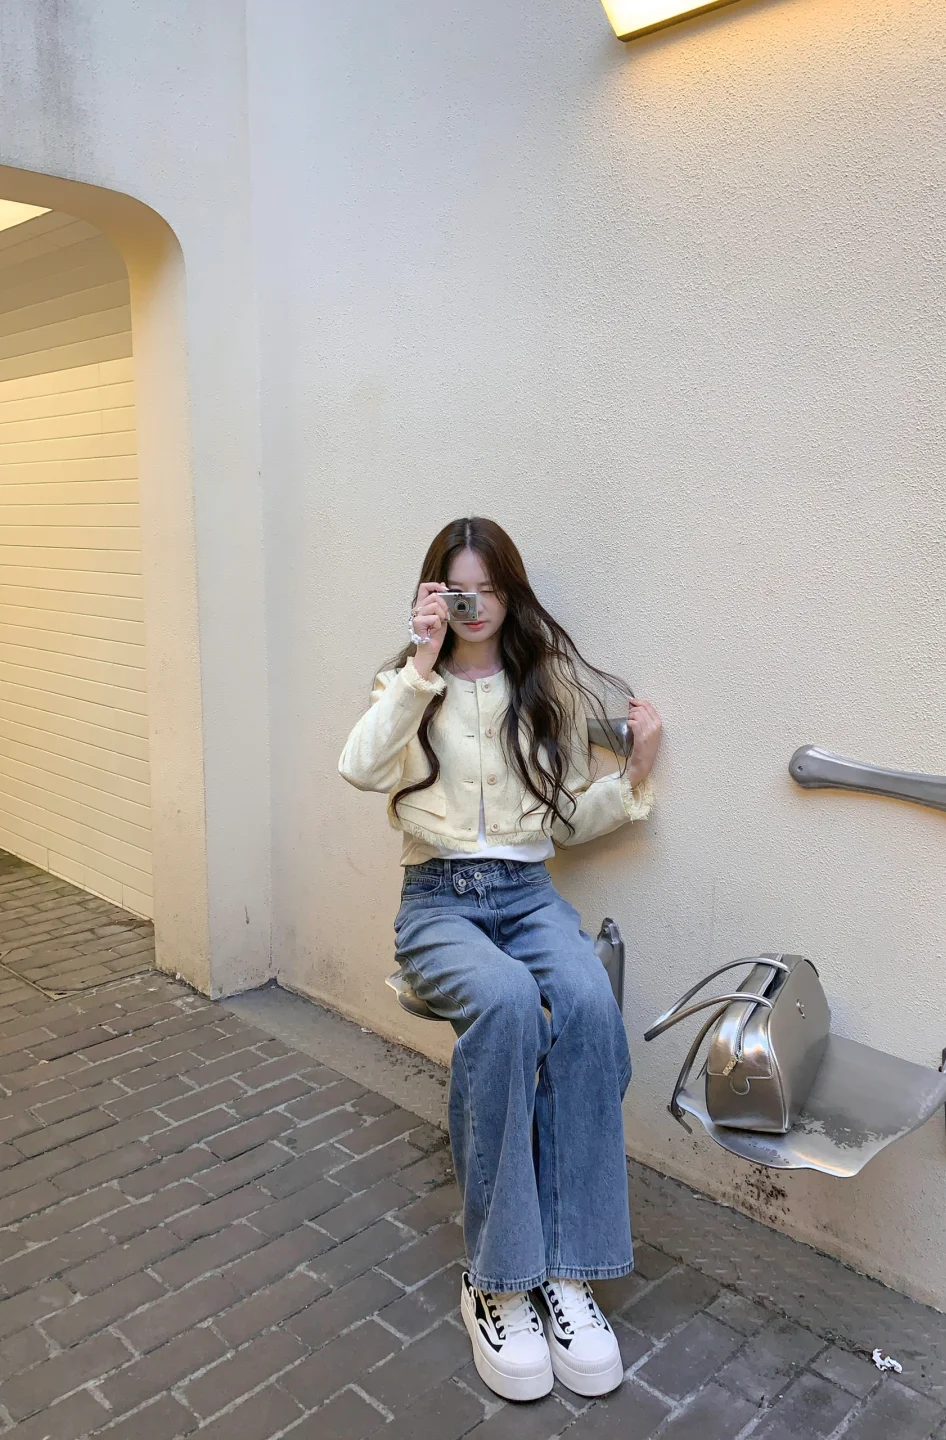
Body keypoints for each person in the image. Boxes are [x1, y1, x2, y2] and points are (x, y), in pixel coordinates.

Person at [338, 517, 662, 1403]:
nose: (475, 606)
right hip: (437, 901)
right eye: (458, 591)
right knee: (511, 1003)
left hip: (527, 894)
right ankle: (498, 1279)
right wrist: (421, 662)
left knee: (587, 1002)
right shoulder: (406, 685)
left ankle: (568, 1269)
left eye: (488, 590)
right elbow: (358, 768)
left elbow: (561, 820)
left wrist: (632, 780)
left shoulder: (541, 688)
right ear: (434, 595)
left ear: (511, 595)